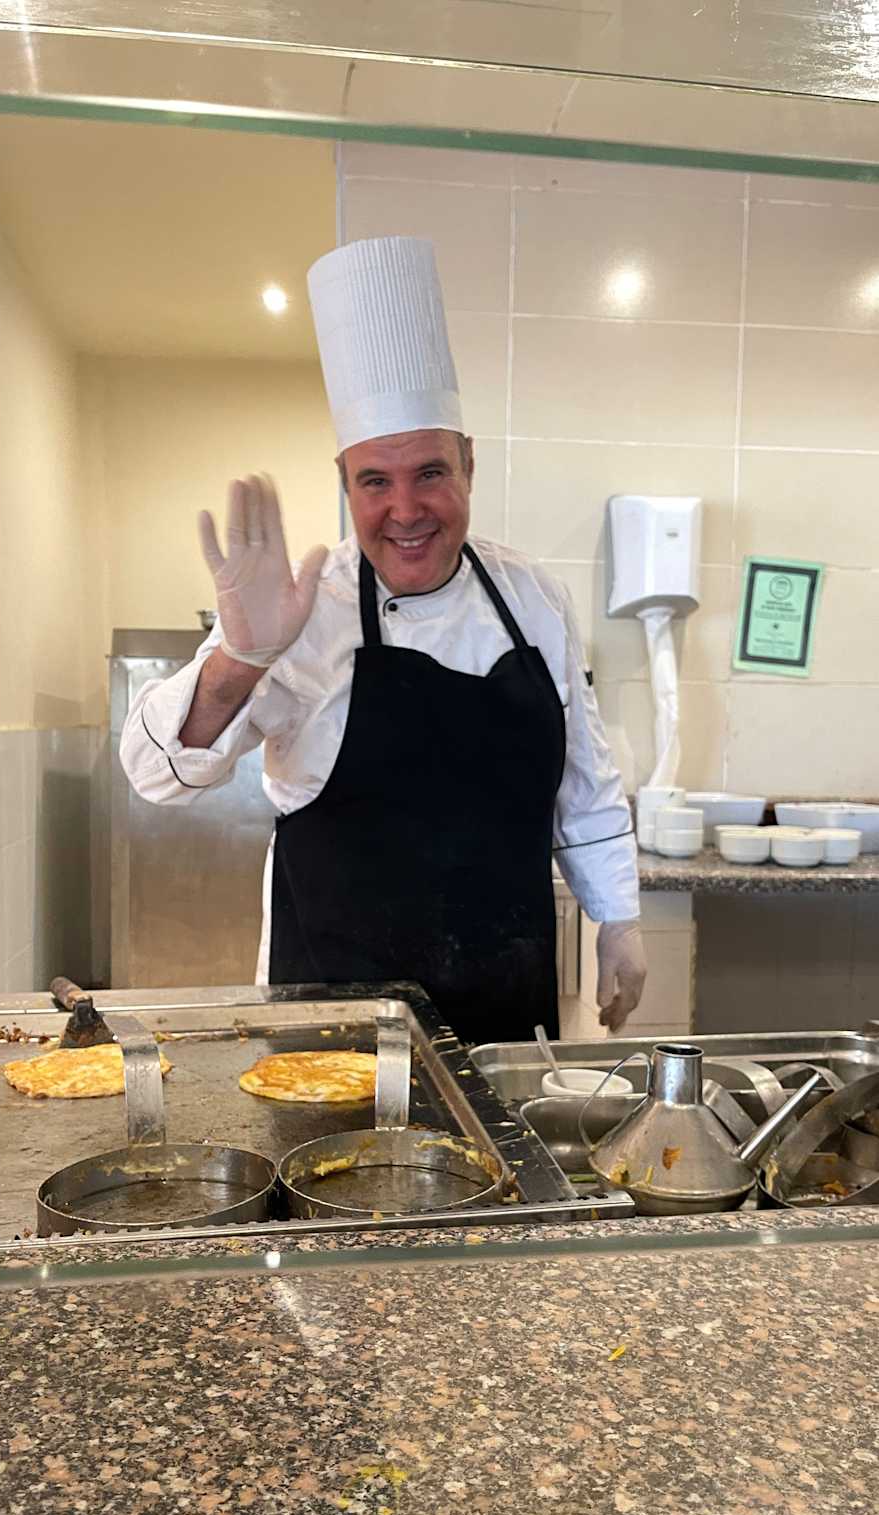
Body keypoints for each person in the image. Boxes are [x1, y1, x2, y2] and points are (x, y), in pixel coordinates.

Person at [120, 236, 646, 1044]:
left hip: (502, 1018)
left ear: (468, 466)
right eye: (375, 480)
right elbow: (156, 775)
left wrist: (617, 917)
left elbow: (583, 778)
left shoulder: (533, 596)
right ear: (346, 483)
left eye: (429, 472)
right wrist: (240, 659)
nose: (405, 510)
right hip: (331, 1031)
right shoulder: (305, 605)